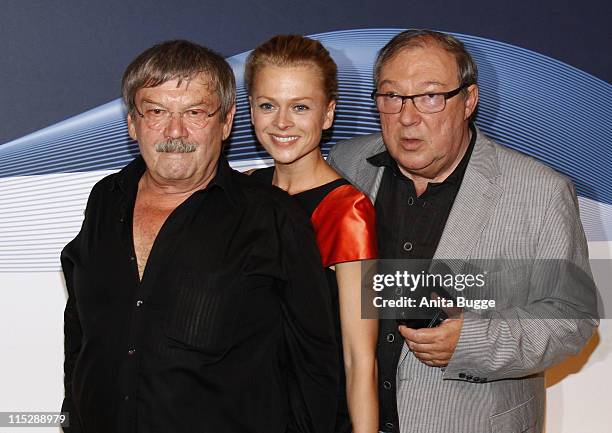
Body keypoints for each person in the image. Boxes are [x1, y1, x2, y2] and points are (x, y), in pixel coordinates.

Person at [61, 39, 339, 433]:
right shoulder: (106, 199)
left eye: (195, 112)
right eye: (156, 111)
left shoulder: (273, 218)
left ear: (226, 122)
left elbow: (316, 365)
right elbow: (82, 327)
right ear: (131, 122)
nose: (175, 130)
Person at [327, 29, 598, 433]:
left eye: (430, 96)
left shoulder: (539, 191)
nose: (407, 116)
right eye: (392, 97)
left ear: (468, 100)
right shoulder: (346, 165)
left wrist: (473, 341)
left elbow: (572, 318)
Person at [244, 35, 379, 433]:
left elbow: (359, 357)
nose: (282, 122)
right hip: (242, 409)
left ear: (327, 114)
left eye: (300, 107)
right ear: (250, 110)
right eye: (268, 105)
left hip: (312, 415)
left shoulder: (349, 211)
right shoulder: (243, 191)